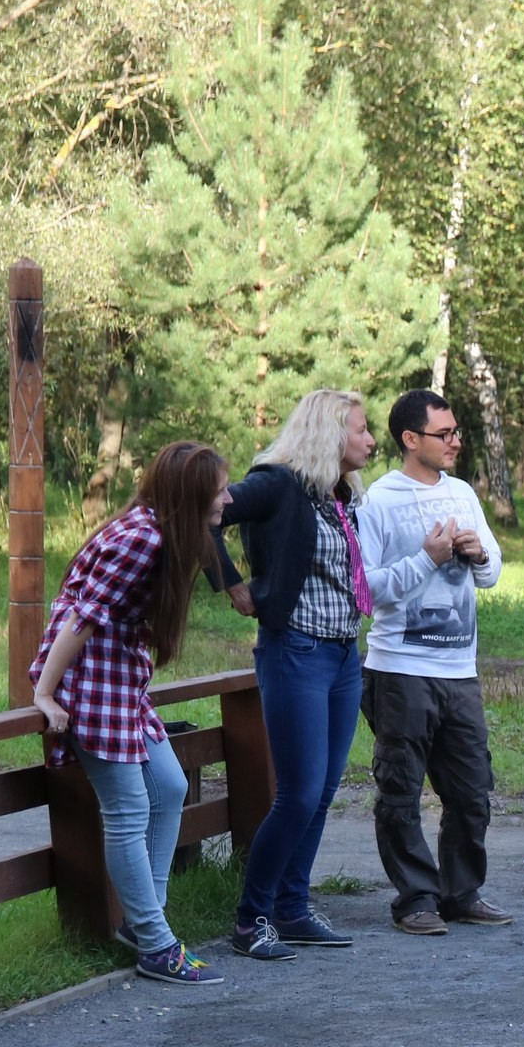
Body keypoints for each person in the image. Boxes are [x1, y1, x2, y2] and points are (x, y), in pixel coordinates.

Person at [29, 442, 234, 986]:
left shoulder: (159, 533)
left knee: (168, 788)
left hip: (122, 680)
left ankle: (148, 924)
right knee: (128, 808)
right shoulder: (141, 539)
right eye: (219, 492)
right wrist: (46, 694)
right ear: (190, 496)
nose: (227, 499)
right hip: (91, 683)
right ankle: (155, 941)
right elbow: (80, 619)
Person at [211, 388, 379, 961]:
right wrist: (230, 581)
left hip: (341, 655)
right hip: (296, 651)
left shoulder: (339, 494)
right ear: (331, 433)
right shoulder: (278, 483)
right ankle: (250, 918)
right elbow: (201, 515)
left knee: (323, 793)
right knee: (299, 792)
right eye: (361, 429)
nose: (370, 439)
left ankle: (292, 907)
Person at [358, 389, 510, 936]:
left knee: (472, 789)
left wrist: (476, 555)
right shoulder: (378, 500)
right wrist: (428, 558)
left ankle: (462, 891)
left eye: (456, 432)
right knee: (400, 789)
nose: (455, 441)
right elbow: (366, 591)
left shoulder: (464, 493)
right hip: (399, 667)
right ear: (410, 439)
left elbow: (491, 576)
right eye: (443, 434)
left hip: (459, 670)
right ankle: (416, 899)